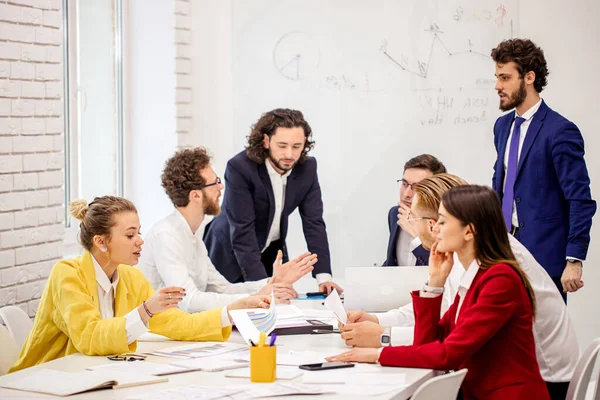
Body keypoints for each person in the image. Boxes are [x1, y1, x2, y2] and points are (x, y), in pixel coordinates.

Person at [341, 174, 579, 400]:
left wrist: (378, 352)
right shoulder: (476, 271)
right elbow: (432, 341)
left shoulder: (500, 279)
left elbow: (448, 352)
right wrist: (434, 285)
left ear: (469, 230)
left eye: (442, 222)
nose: (436, 229)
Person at [9, 197, 270, 373]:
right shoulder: (67, 274)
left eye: (139, 232)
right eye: (130, 235)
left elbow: (178, 323)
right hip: (48, 381)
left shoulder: (130, 277)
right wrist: (146, 310)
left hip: (100, 376)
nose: (140, 241)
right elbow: (89, 338)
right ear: (101, 242)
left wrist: (231, 311)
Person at [138, 147, 317, 313]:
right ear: (195, 195)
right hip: (160, 335)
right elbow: (189, 301)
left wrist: (271, 282)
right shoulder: (166, 235)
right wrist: (253, 298)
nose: (221, 187)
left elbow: (223, 288)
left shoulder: (193, 237)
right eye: (215, 183)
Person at [490, 38, 596, 301]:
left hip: (545, 258)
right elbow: (501, 187)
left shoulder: (560, 131)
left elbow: (579, 199)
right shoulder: (502, 127)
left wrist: (574, 259)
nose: (497, 86)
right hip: (504, 253)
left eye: (504, 78)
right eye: (497, 77)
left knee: (543, 340)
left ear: (529, 77)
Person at [203, 108, 342, 294]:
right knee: (234, 314)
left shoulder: (307, 168)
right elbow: (243, 232)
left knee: (279, 311)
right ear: (266, 141)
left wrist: (324, 277)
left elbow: (314, 223)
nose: (290, 154)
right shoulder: (240, 168)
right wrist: (263, 288)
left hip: (270, 252)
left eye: (296, 146)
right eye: (282, 145)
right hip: (230, 252)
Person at [383, 154, 446, 266]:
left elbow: (442, 270)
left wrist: (418, 238)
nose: (407, 194)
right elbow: (392, 264)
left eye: (417, 187)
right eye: (404, 184)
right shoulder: (395, 214)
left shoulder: (445, 222)